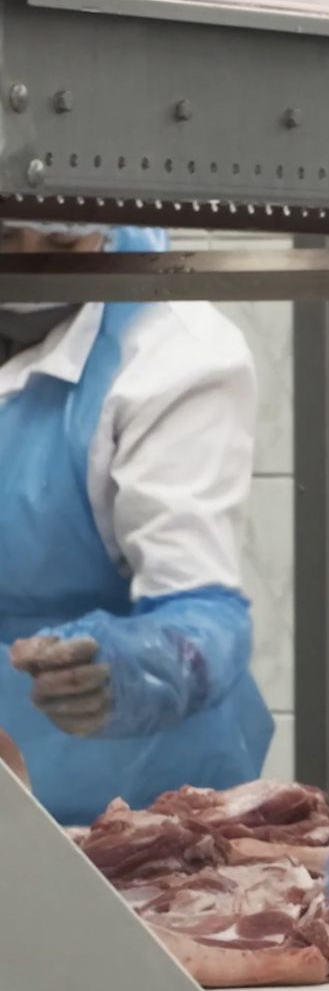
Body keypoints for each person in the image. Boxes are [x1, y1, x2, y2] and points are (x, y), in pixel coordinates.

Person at [0, 224, 271, 826]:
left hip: (134, 798)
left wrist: (135, 667)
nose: (27, 261)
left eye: (60, 244)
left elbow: (203, 613)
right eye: (4, 236)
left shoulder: (175, 349)